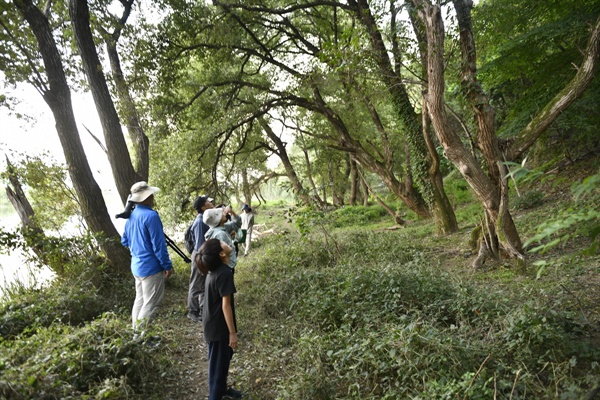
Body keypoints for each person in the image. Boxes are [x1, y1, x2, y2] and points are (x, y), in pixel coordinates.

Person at [121, 181, 173, 333]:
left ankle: (135, 333)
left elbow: (124, 240)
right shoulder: (151, 216)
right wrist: (167, 265)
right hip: (151, 268)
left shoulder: (132, 215)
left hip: (137, 266)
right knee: (151, 303)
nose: (153, 197)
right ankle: (139, 338)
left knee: (140, 300)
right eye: (150, 195)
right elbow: (159, 246)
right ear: (145, 197)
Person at [196, 239, 242, 400]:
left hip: (213, 325)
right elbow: (225, 306)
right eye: (222, 242)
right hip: (218, 329)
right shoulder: (224, 273)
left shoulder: (215, 270)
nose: (225, 241)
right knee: (217, 368)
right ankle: (215, 395)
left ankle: (222, 390)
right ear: (221, 254)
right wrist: (232, 333)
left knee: (222, 361)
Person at [187, 195, 214, 323]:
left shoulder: (204, 219)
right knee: (196, 284)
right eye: (208, 201)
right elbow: (199, 244)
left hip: (203, 255)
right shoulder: (200, 222)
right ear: (203, 207)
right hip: (200, 255)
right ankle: (193, 311)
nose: (210, 202)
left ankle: (203, 310)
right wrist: (203, 260)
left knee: (203, 284)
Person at [203, 206, 241, 272]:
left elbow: (236, 224)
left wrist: (232, 213)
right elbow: (225, 254)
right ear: (218, 219)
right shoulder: (220, 234)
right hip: (227, 268)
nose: (224, 213)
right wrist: (230, 267)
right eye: (221, 214)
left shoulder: (220, 227)